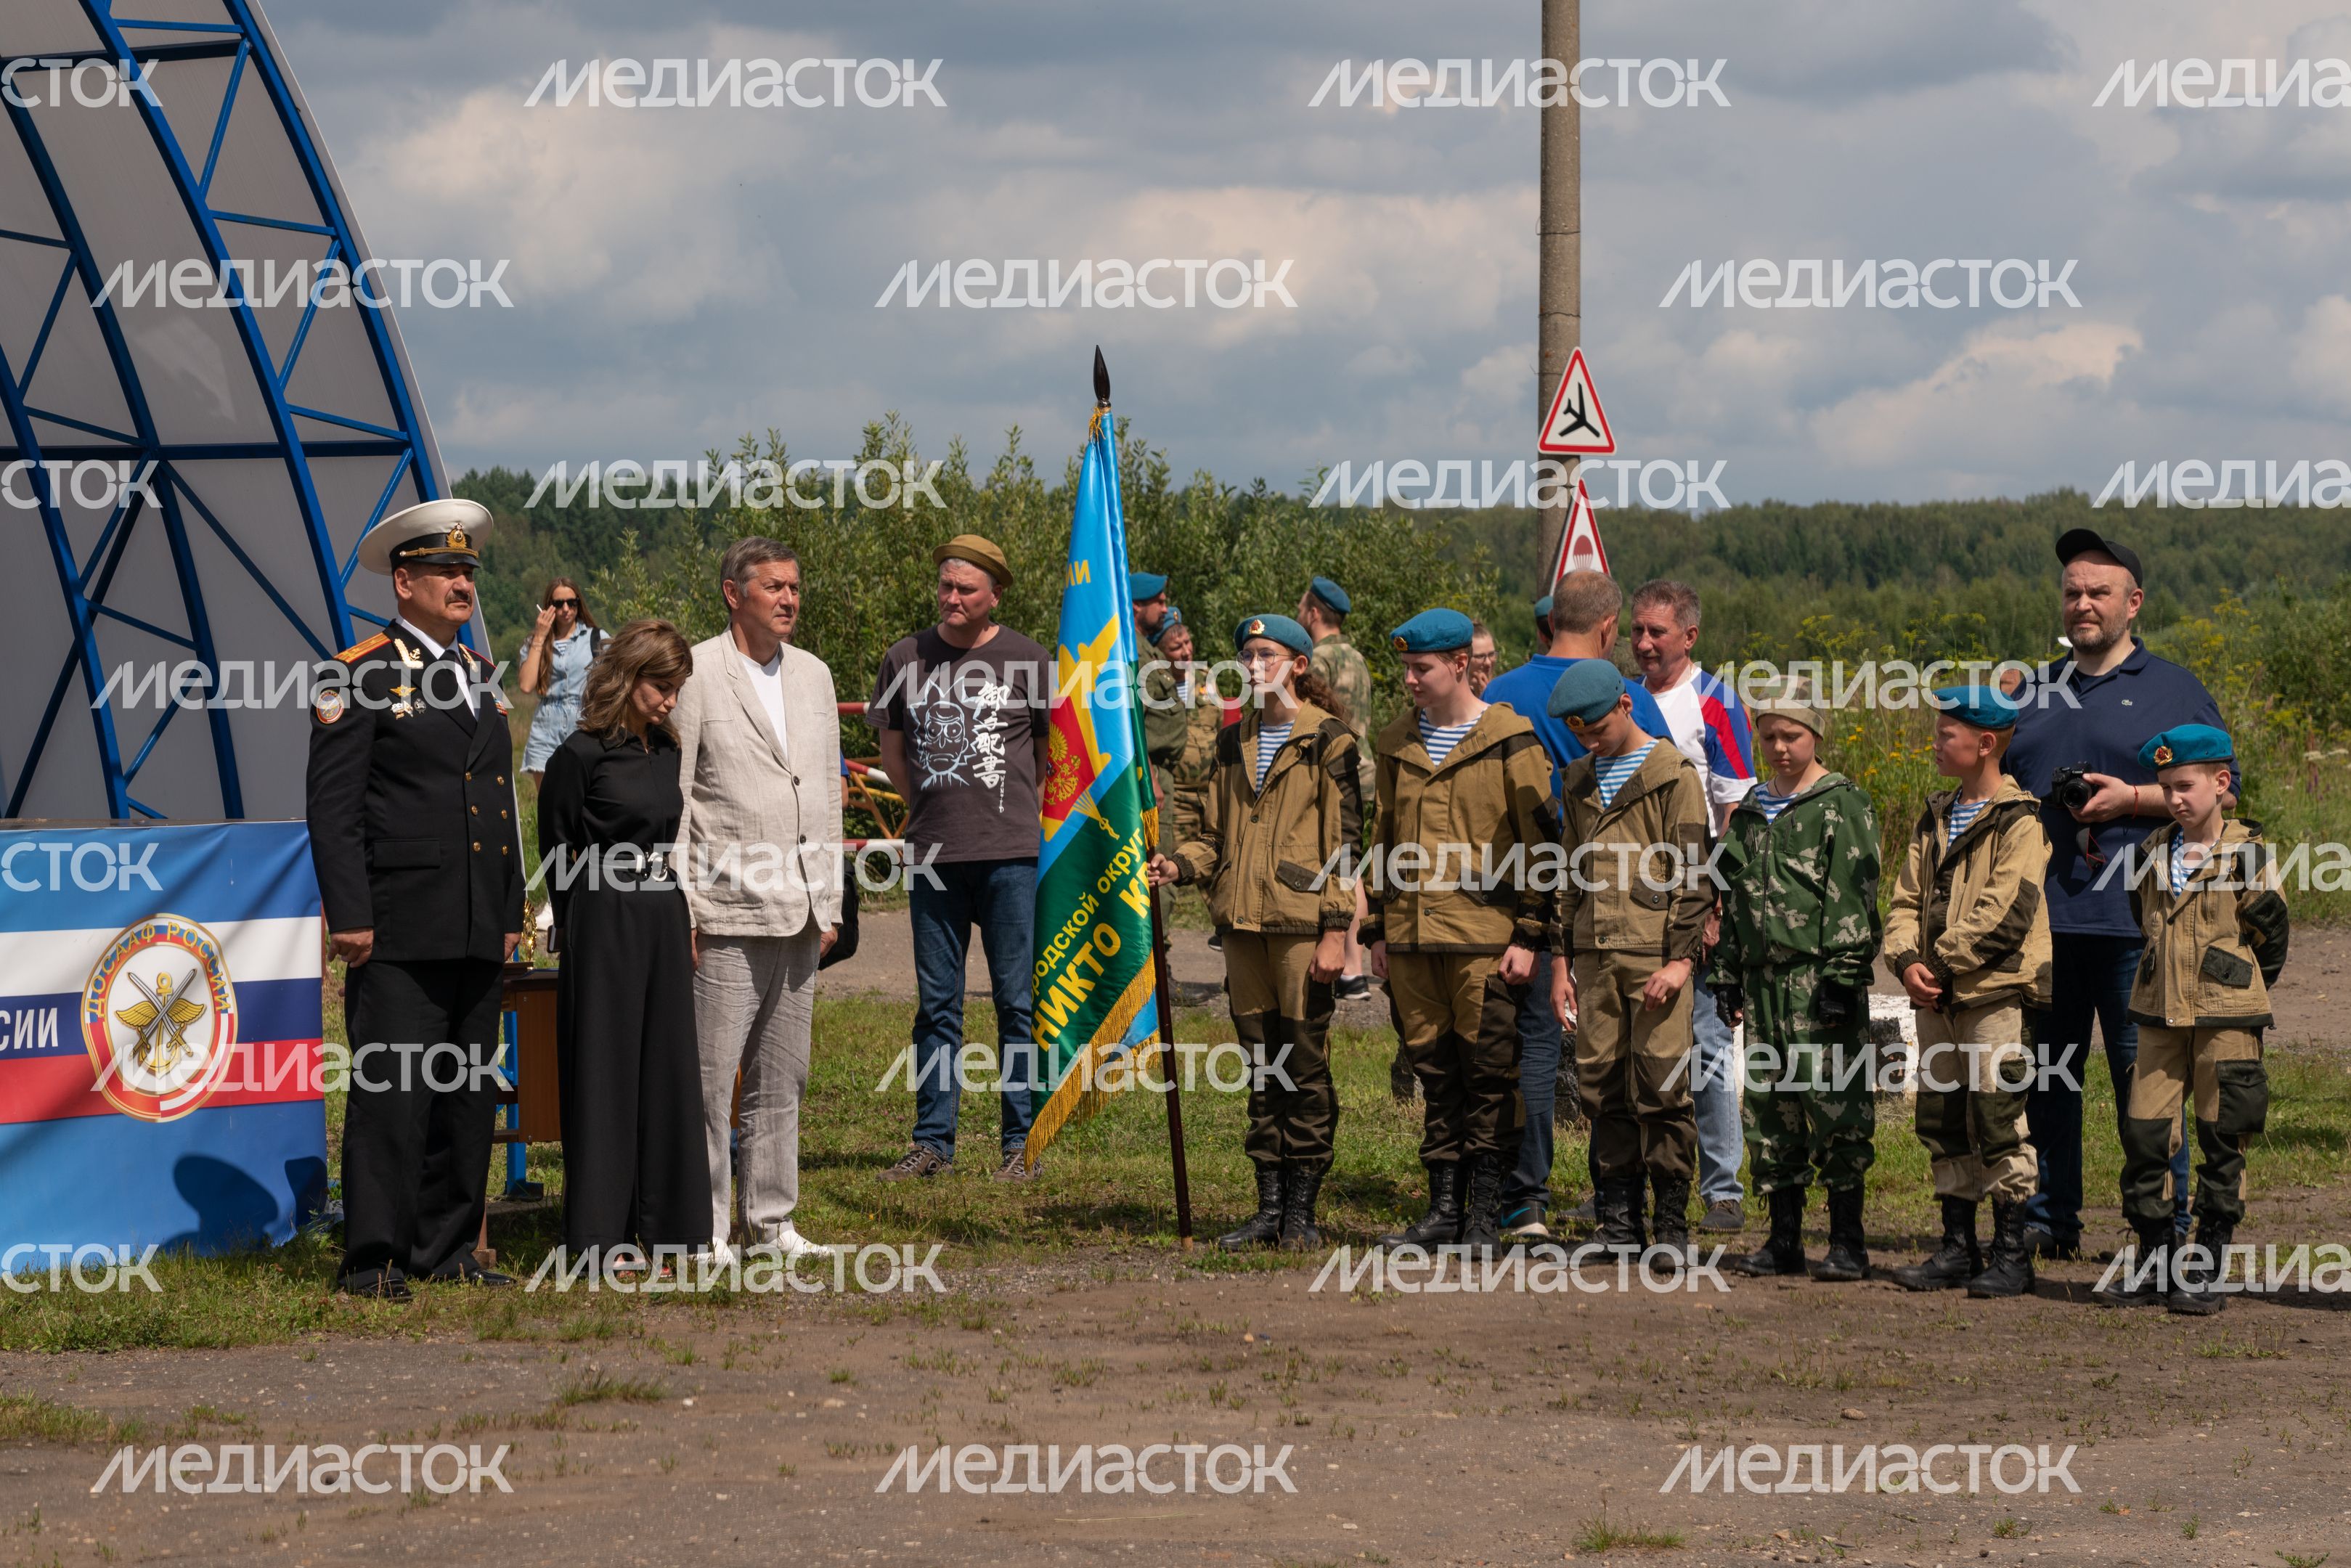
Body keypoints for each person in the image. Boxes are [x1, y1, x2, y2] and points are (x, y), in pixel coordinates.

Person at [306, 498, 520, 1299]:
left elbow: (498, 806)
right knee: (394, 1094)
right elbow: (333, 807)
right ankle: (374, 1258)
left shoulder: (478, 679)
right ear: (405, 582)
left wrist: (506, 914)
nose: (463, 583)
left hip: (473, 922)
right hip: (397, 922)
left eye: (468, 571)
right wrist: (350, 915)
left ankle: (450, 1246)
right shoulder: (356, 673)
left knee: (466, 1093)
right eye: (446, 571)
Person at [2005, 528, 2233, 1259]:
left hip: (2140, 925)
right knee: (2047, 1083)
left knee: (2147, 1089)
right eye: (2071, 591)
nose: (2082, 604)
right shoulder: (2032, 692)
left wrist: (2133, 798)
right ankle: (2048, 1219)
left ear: (2131, 603)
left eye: (2097, 592)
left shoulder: (2173, 689)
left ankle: (2157, 1233)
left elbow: (2221, 793)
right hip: (2044, 922)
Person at [1149, 613, 1360, 1250]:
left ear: (1299, 664)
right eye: (1245, 654)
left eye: (1267, 654)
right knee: (1261, 1066)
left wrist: (1334, 931)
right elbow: (1215, 837)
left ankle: (1303, 1211)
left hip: (1301, 927)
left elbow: (1347, 847)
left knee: (1304, 1065)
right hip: (1242, 927)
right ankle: (1268, 1207)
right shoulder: (1230, 742)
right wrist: (1180, 865)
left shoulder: (1329, 741)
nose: (1252, 665)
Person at [1478, 571, 1672, 1241]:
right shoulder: (1631, 700)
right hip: (1607, 905)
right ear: (1610, 628)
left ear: (1550, 617)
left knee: (1533, 1047)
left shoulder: (1498, 694)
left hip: (1511, 897)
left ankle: (1524, 1198)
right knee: (1616, 1059)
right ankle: (1610, 1200)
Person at [1366, 609, 1558, 1255]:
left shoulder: (1511, 737)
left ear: (1458, 665)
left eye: (1421, 669)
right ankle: (1443, 1210)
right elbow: (1383, 839)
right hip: (1416, 941)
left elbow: (1544, 846)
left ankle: (1485, 1215)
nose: (1411, 681)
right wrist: (1376, 930)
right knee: (1436, 1078)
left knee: (1490, 1080)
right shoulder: (1395, 742)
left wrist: (1530, 936)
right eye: (1405, 671)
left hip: (1485, 941)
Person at [674, 539, 842, 1262]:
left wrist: (830, 898)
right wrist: (682, 906)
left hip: (802, 906)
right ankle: (708, 1228)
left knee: (784, 1076)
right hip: (723, 907)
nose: (788, 599)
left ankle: (773, 1222)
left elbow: (827, 790)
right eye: (773, 586)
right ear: (732, 594)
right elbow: (676, 795)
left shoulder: (813, 675)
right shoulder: (697, 674)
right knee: (712, 1080)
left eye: (794, 586)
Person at [871, 536, 1052, 1180]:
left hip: (1012, 855)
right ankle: (933, 1141)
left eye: (965, 590)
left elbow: (1052, 755)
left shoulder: (1030, 659)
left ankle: (1020, 1141)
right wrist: (928, 805)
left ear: (994, 595)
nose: (951, 599)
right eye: (945, 586)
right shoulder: (904, 657)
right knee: (938, 1004)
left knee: (1016, 1002)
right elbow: (893, 752)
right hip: (933, 855)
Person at [2095, 724, 2287, 1314]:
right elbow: (2145, 916)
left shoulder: (2248, 853)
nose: (2175, 798)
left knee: (2222, 1136)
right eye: (2166, 788)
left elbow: (2271, 933)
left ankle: (2206, 1263)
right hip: (2157, 1015)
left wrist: (2237, 987)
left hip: (2226, 1018)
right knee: (2146, 1134)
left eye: (2185, 786)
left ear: (2219, 782)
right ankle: (2157, 1258)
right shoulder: (2153, 852)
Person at [539, 621, 712, 1265]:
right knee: (605, 1073)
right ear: (628, 677)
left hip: (663, 915)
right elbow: (556, 850)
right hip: (603, 917)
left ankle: (673, 1230)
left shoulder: (666, 751)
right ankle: (598, 1239)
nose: (670, 701)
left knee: (668, 1069)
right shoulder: (580, 755)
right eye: (661, 687)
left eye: (677, 689)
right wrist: (576, 925)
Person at [1881, 687, 2052, 1299]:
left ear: (1985, 744)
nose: (1935, 742)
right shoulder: (1935, 815)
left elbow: (2006, 912)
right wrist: (1905, 961)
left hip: (1993, 996)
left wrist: (1941, 964)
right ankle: (1958, 1245)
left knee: (1999, 1117)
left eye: (1947, 733)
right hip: (1937, 997)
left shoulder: (2020, 821)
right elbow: (1904, 898)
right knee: (1944, 1116)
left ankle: (2012, 1251)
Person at [1712, 677, 1883, 1283]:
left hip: (1818, 980)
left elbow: (1855, 898)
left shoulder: (1842, 803)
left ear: (1817, 736)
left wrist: (1844, 975)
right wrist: (1727, 972)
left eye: (1794, 736)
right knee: (1770, 1108)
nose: (1782, 748)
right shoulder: (1756, 807)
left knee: (1834, 1105)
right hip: (1762, 982)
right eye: (1771, 737)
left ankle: (1846, 1242)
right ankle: (1783, 1237)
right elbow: (1732, 894)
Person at [1547, 659, 1711, 1254]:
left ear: (1623, 705)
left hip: (1654, 956)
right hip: (1593, 959)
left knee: (1663, 1088)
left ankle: (1670, 1224)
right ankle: (1618, 1223)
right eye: (1579, 732)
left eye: (1596, 728)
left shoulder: (1673, 775)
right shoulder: (1579, 778)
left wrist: (1680, 961)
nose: (1590, 740)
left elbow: (1694, 878)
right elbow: (1567, 875)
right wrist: (1562, 965)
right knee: (1602, 1087)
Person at [1629, 580, 1756, 1235]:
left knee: (1705, 1042)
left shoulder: (1716, 701)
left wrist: (1714, 904)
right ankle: (1625, 1190)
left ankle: (1723, 1188)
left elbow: (1733, 807)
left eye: (1658, 632)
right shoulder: (1622, 698)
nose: (1645, 643)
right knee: (1630, 1045)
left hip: (1695, 890)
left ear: (1689, 637)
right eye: (1637, 630)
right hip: (1630, 893)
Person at [1297, 576, 1377, 1006]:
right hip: (1363, 768)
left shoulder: (1316, 660)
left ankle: (1347, 968)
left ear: (1313, 613)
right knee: (1353, 868)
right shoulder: (1358, 658)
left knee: (1337, 867)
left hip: (1331, 772)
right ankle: (1356, 969)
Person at [520, 578, 602, 786]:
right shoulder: (534, 641)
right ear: (548, 607)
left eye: (571, 603)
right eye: (558, 604)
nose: (566, 609)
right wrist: (540, 637)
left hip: (583, 726)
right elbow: (526, 685)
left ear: (578, 603)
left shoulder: (596, 638)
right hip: (545, 731)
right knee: (548, 805)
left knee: (582, 802)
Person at [1130, 571, 1190, 803]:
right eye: (1160, 602)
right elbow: (1132, 722)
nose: (1165, 610)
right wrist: (1149, 779)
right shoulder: (1137, 654)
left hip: (1156, 771)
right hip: (1148, 772)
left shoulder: (1144, 649)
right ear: (1137, 606)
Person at [1467, 621, 1498, 695]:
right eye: (1480, 656)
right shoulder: (1451, 697)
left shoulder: (1502, 690)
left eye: (1491, 654)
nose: (1488, 663)